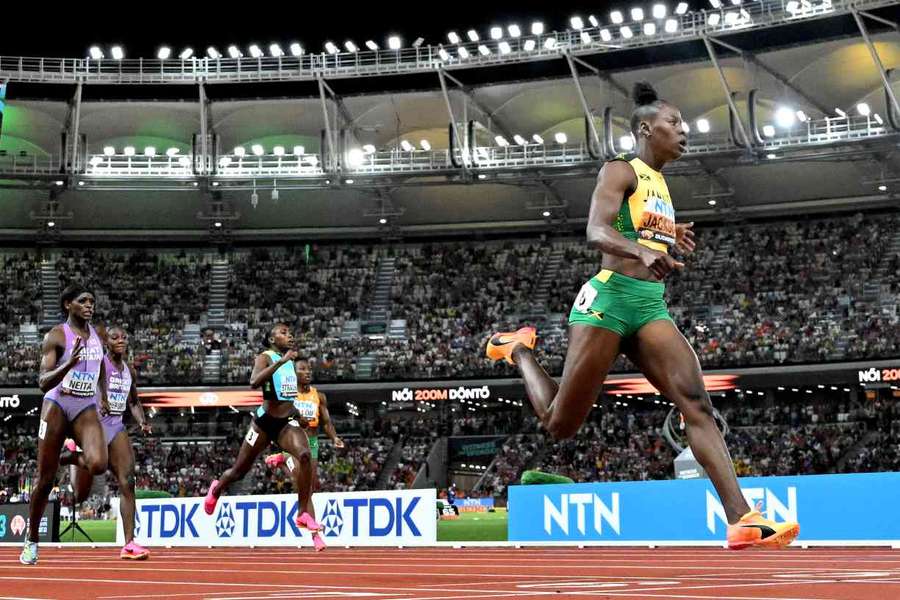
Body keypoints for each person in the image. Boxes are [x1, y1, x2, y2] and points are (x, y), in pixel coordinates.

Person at [485, 82, 799, 550]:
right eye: (675, 124)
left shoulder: (661, 185)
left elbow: (643, 231)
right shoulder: (619, 170)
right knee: (560, 425)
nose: (683, 132)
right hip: (608, 301)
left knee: (696, 402)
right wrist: (641, 250)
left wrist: (671, 236)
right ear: (646, 128)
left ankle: (742, 519)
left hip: (649, 305)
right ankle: (519, 351)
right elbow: (596, 229)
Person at [203, 323, 325, 551]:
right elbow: (253, 383)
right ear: (271, 339)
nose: (289, 335)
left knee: (305, 455)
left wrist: (299, 416)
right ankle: (216, 489)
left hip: (285, 424)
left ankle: (302, 513)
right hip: (263, 423)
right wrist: (280, 361)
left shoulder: (291, 362)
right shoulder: (266, 357)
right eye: (283, 333)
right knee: (239, 472)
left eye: (290, 332)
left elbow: (287, 397)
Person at [21, 284, 108, 565]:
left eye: (92, 301)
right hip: (57, 403)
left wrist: (103, 394)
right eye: (83, 301)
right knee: (44, 480)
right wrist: (68, 364)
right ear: (68, 304)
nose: (89, 305)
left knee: (98, 464)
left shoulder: (98, 335)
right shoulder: (57, 335)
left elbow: (103, 365)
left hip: (85, 404)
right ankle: (32, 539)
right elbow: (42, 382)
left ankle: (70, 456)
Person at [65, 326, 152, 560]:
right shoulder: (99, 363)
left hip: (115, 426)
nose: (121, 340)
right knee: (95, 471)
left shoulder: (129, 370)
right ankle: (70, 454)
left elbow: (133, 402)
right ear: (106, 342)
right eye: (115, 337)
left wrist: (142, 422)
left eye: (124, 337)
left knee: (128, 481)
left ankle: (129, 544)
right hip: (93, 423)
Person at [265, 358, 345, 492]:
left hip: (312, 441)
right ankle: (284, 457)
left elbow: (326, 422)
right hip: (293, 440)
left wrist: (334, 437)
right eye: (302, 369)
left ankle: (281, 460)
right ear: (293, 373)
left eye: (309, 369)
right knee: (299, 478)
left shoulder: (319, 396)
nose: (307, 372)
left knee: (311, 486)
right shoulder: (286, 394)